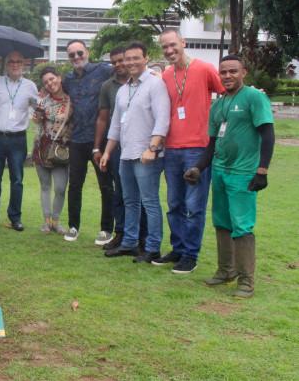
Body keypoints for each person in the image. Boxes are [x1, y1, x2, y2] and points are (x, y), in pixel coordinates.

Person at [184, 55, 274, 298]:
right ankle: (226, 270)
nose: (227, 76)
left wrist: (262, 170)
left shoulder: (254, 98)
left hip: (243, 173)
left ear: (243, 72)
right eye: (223, 72)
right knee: (222, 222)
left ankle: (246, 281)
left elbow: (267, 134)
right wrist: (198, 168)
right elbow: (212, 144)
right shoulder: (218, 104)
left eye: (233, 71)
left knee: (242, 225)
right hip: (220, 172)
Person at [155, 29, 225, 274]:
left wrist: (217, 127)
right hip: (172, 148)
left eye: (173, 45)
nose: (169, 50)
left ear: (183, 43)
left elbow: (225, 94)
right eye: (164, 47)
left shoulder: (204, 69)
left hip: (198, 148)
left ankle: (190, 255)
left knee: (194, 205)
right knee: (174, 203)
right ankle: (178, 248)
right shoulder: (165, 75)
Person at [101, 42, 170, 263]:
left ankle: (152, 247)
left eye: (135, 58)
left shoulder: (155, 84)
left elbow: (163, 118)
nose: (130, 62)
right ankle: (129, 243)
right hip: (125, 154)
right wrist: (107, 151)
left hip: (146, 155)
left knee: (149, 202)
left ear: (146, 58)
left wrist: (153, 148)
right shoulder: (123, 90)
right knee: (129, 200)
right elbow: (115, 125)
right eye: (127, 58)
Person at [93, 48, 148, 251]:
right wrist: (98, 148)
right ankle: (122, 233)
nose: (118, 65)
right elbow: (103, 118)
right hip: (116, 146)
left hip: (140, 145)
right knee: (120, 193)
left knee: (142, 194)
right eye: (114, 62)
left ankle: (143, 238)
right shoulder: (108, 86)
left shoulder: (146, 83)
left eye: (121, 60)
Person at [0, 50, 38, 232]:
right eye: (11, 61)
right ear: (6, 64)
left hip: (18, 139)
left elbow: (40, 108)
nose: (15, 64)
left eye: (18, 61)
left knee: (17, 180)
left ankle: (15, 217)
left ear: (24, 64)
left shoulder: (30, 86)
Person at [62, 40, 114, 244]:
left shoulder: (103, 71)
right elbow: (56, 94)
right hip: (76, 139)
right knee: (74, 185)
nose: (76, 57)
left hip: (99, 139)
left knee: (105, 185)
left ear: (88, 52)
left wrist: (155, 72)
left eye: (79, 53)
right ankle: (73, 226)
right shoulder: (67, 79)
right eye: (72, 55)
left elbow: (125, 70)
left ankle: (106, 229)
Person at [31, 66, 72, 234]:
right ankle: (47, 221)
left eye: (52, 79)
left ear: (59, 78)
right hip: (42, 147)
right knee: (45, 186)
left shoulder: (71, 99)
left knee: (61, 188)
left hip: (62, 149)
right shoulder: (42, 102)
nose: (50, 83)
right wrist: (36, 119)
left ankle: (56, 220)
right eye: (46, 82)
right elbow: (37, 123)